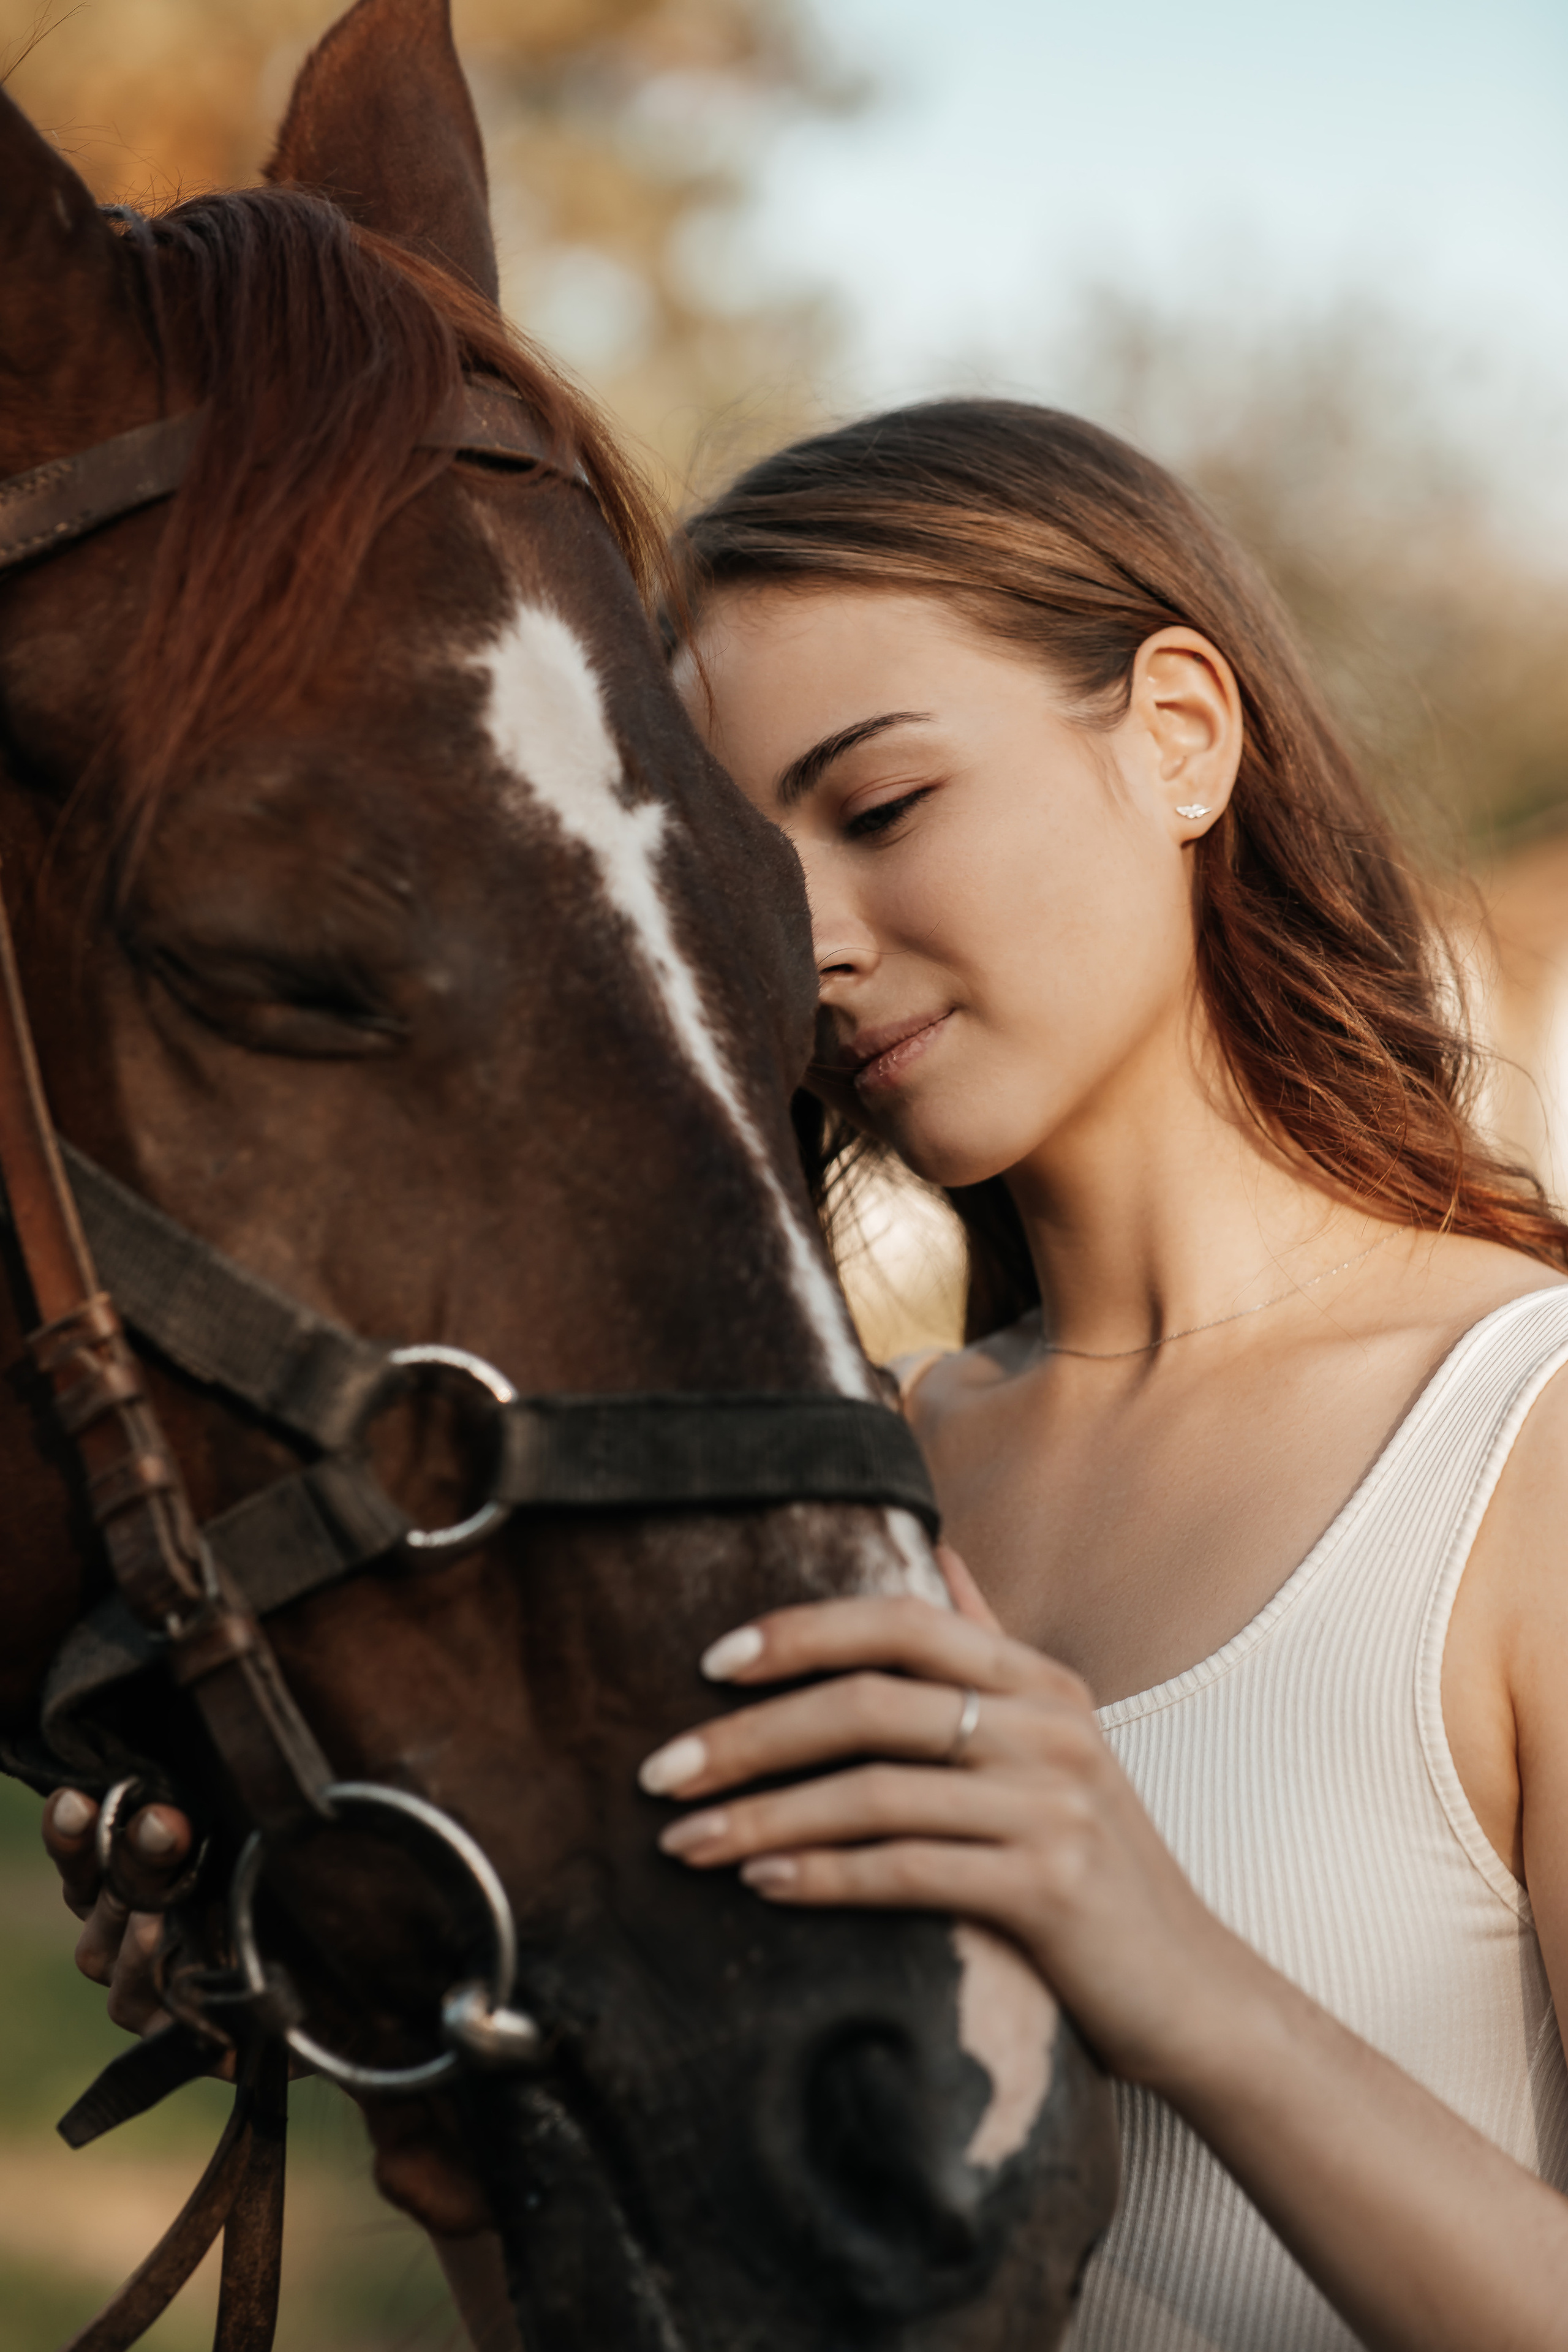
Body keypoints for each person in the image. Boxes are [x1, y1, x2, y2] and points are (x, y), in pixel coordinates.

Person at [43, 398, 1568, 2350]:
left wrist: (1179, 1974)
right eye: (757, 874)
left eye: (885, 806)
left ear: (1180, 734)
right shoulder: (837, 1503)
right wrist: (344, 1965)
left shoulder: (1508, 1444)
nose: (816, 949)